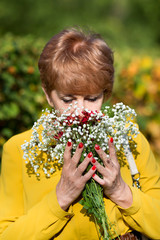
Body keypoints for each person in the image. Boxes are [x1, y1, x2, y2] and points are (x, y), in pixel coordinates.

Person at [0, 27, 160, 240]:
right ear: (48, 95)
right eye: (68, 100)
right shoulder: (19, 150)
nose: (81, 111)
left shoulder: (129, 140)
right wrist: (60, 198)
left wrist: (121, 191)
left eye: (92, 98)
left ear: (106, 93)